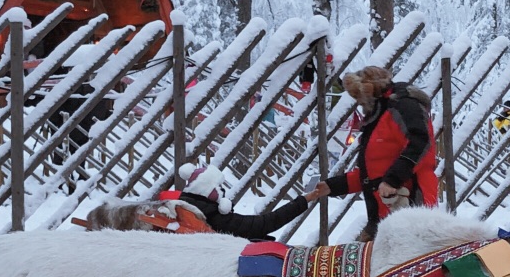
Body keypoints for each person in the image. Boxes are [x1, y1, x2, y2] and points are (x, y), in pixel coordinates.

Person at [323, 65, 436, 239]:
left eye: (359, 96)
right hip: (383, 214)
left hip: (409, 207)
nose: (359, 103)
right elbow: (373, 172)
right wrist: (331, 186)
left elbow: (420, 142)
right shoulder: (379, 115)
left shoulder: (403, 106)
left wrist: (393, 180)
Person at [165, 162, 328, 241]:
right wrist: (304, 200)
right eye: (219, 187)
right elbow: (265, 223)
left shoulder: (184, 207)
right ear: (210, 190)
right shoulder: (215, 217)